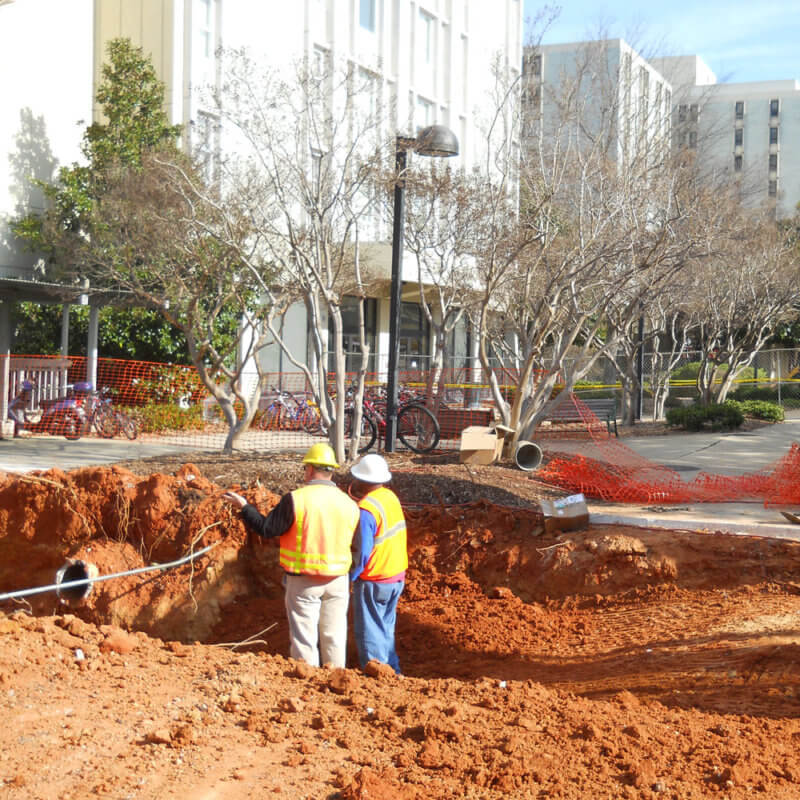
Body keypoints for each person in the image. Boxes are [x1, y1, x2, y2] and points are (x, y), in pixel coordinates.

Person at [222, 443, 360, 669]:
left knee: (304, 638)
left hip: (304, 579)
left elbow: (267, 529)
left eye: (306, 468)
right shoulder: (349, 503)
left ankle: (308, 683)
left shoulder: (297, 499)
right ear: (331, 470)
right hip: (338, 580)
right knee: (334, 635)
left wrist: (245, 507)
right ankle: (336, 680)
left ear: (310, 469)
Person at [348, 453, 408, 674]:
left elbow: (363, 550)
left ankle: (378, 676)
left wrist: (352, 576)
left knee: (370, 631)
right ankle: (393, 671)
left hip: (375, 579)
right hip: (395, 576)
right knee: (385, 629)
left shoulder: (367, 509)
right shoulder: (390, 497)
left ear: (362, 480)